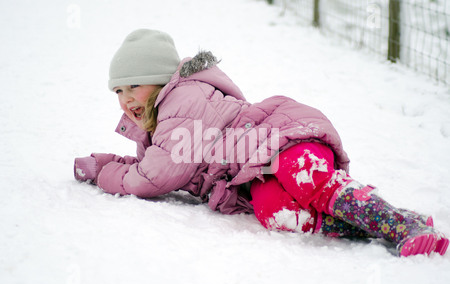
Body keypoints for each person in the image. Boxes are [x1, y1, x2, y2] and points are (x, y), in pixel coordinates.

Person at [74, 29, 448, 257]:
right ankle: (379, 224)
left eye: (134, 85)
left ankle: (398, 225)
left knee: (306, 180)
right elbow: (156, 163)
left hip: (285, 139)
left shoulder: (183, 102)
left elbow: (153, 177)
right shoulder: (161, 126)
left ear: (160, 81)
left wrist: (104, 174)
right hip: (257, 172)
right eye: (118, 90)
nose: (125, 99)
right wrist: (106, 162)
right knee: (275, 212)